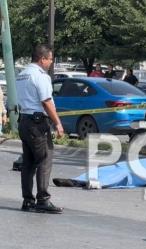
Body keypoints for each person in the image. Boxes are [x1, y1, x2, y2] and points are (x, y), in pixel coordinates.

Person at [16, 44, 65, 214]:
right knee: (45, 159)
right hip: (37, 123)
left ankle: (27, 200)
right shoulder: (40, 76)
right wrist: (58, 123)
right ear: (42, 58)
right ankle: (43, 199)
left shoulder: (22, 75)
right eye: (50, 59)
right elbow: (46, 101)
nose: (51, 62)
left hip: (24, 121)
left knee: (28, 163)